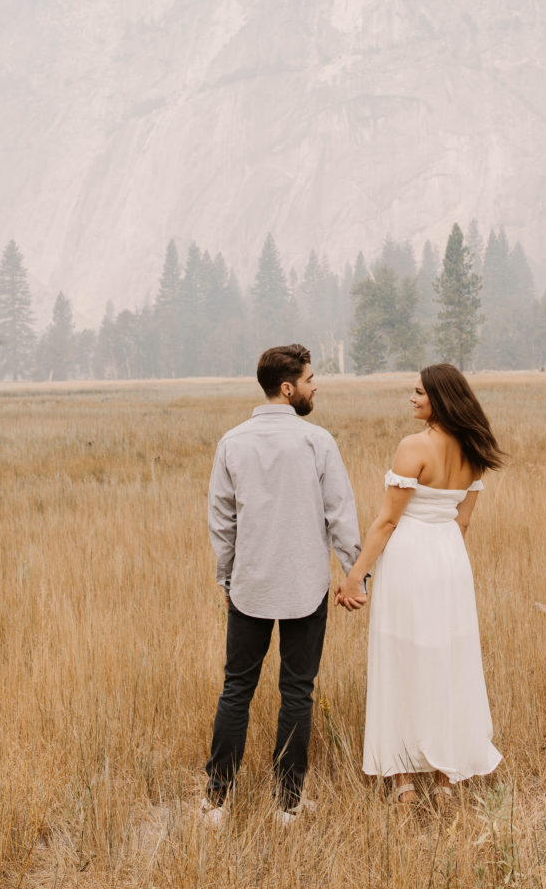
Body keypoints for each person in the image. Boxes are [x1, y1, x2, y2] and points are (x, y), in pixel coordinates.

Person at [202, 343, 363, 825]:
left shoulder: (232, 442)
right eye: (311, 379)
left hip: (249, 584)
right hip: (306, 586)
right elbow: (341, 514)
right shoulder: (318, 442)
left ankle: (216, 801)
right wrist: (356, 574)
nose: (317, 386)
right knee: (297, 692)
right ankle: (287, 804)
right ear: (288, 388)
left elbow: (222, 521)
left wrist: (226, 575)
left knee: (236, 689)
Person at [335, 363, 504, 805]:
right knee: (448, 659)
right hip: (450, 561)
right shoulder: (474, 450)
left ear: (440, 399)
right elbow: (462, 523)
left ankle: (404, 779)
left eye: (418, 393)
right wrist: (444, 558)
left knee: (400, 657)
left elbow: (388, 520)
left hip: (410, 558)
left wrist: (355, 577)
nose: (412, 399)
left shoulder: (414, 446)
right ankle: (446, 780)